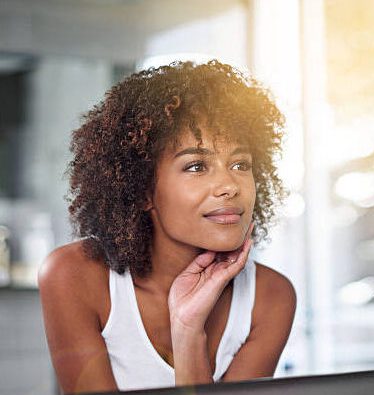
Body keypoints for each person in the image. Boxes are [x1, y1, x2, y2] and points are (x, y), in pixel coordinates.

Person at [38, 59, 297, 394]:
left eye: (239, 163)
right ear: (143, 189)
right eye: (196, 166)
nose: (229, 185)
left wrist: (188, 329)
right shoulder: (74, 275)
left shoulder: (271, 297)